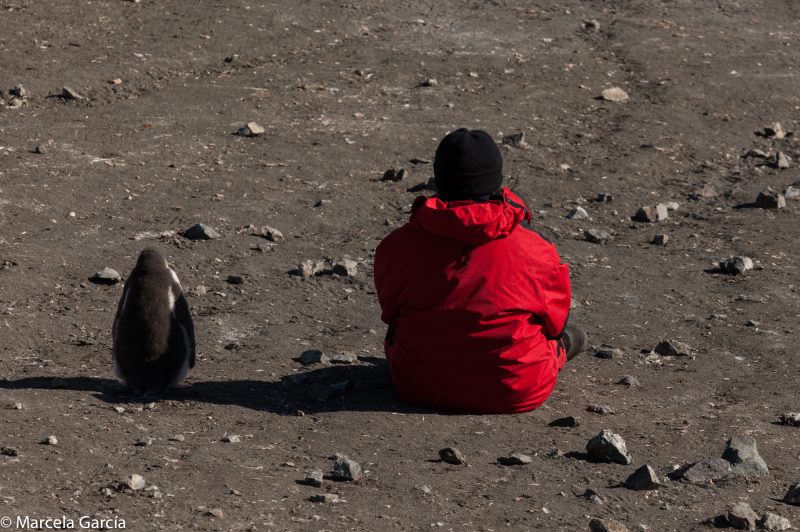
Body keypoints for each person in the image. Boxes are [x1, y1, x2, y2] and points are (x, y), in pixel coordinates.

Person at [373, 128, 585, 414]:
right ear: (498, 181)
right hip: (516, 391)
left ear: (439, 180)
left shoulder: (397, 246)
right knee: (571, 335)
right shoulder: (537, 250)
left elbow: (392, 315)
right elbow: (554, 326)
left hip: (420, 386)